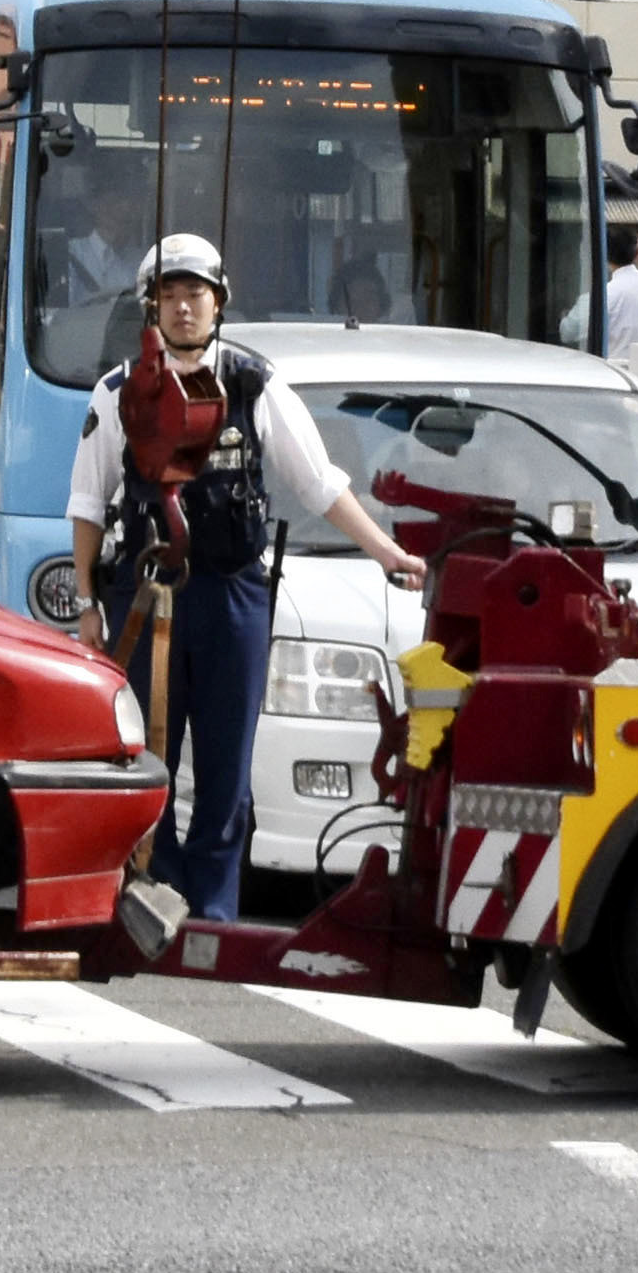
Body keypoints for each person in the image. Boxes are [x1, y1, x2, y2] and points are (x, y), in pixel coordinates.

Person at [69, 234, 426, 922]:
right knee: (148, 758)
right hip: (145, 595)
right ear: (150, 307)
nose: (182, 309)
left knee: (228, 766)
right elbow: (87, 503)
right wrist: (87, 601)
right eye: (168, 296)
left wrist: (388, 553)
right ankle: (152, 894)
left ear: (219, 303)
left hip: (233, 594)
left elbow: (319, 484)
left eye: (194, 294)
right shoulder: (116, 392)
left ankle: (215, 912)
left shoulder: (253, 384)